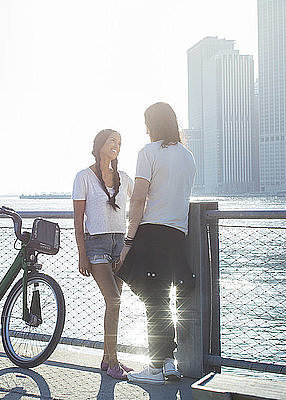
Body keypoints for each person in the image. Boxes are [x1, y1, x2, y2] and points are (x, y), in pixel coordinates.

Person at [116, 102, 196, 384]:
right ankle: (168, 362)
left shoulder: (148, 152)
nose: (145, 128)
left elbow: (138, 199)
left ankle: (154, 369)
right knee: (162, 299)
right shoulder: (188, 157)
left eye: (146, 123)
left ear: (153, 124)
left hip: (151, 233)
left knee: (153, 300)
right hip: (177, 235)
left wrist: (128, 241)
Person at [72, 129, 135, 380]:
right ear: (99, 144)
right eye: (112, 140)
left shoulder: (124, 178)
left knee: (115, 303)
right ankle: (114, 362)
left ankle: (107, 358)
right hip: (96, 245)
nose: (116, 145)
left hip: (119, 245)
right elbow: (78, 220)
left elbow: (141, 202)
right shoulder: (84, 177)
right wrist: (81, 254)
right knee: (114, 301)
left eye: (119, 142)